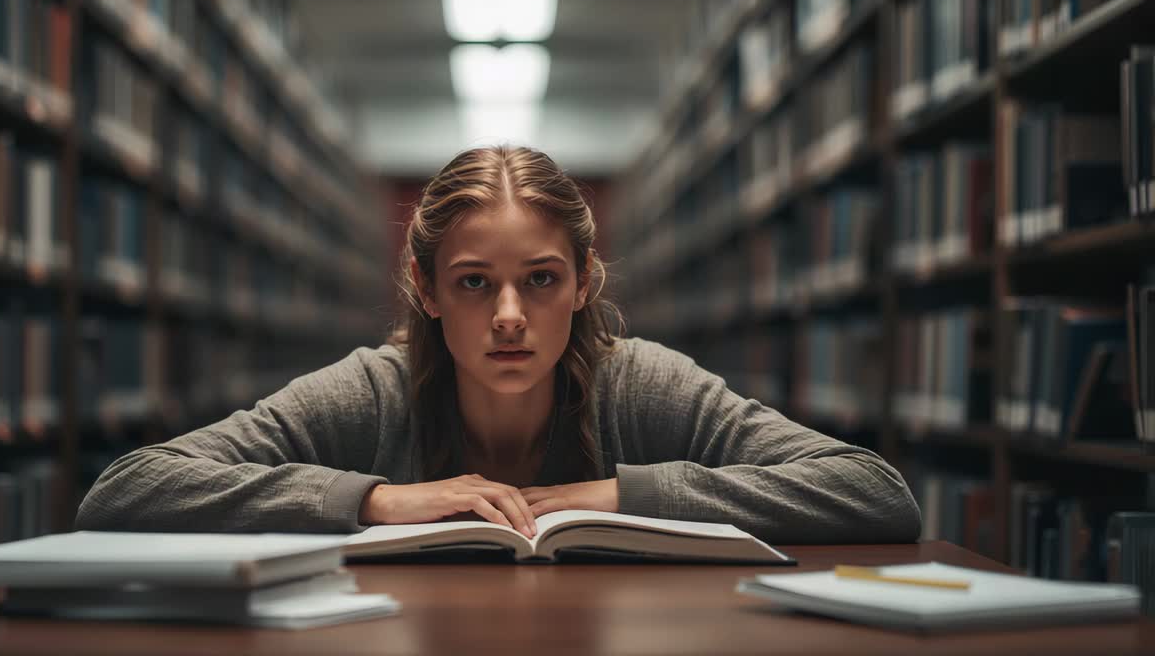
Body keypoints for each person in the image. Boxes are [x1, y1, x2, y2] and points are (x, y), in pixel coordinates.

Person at [76, 145, 921, 544]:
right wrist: (371, 500)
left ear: (585, 282)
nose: (509, 315)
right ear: (426, 290)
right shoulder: (371, 392)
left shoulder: (646, 388)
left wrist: (621, 495)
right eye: (476, 282)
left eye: (541, 280)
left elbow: (873, 492)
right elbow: (125, 491)